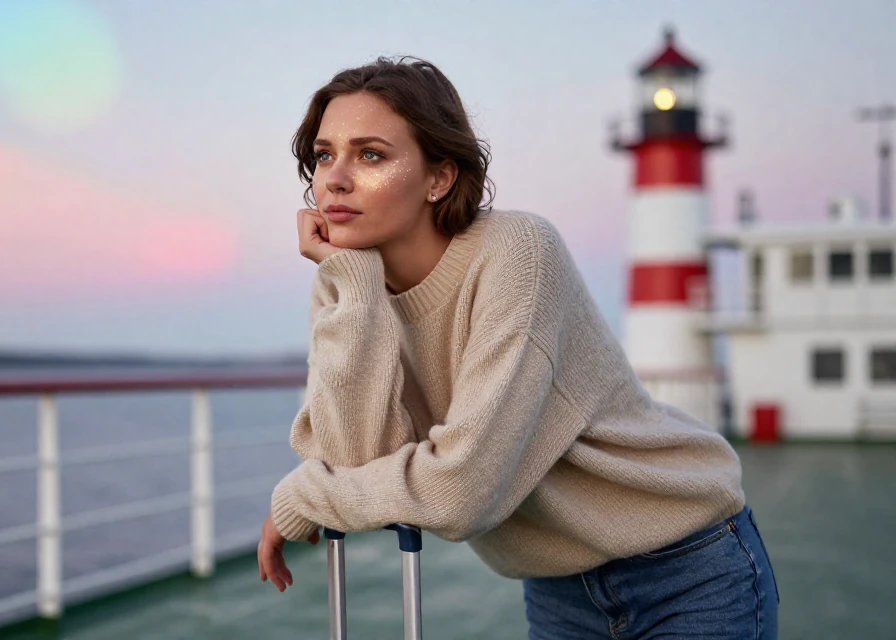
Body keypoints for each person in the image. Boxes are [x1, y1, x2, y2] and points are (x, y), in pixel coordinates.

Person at [255, 56, 780, 639]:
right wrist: (355, 287)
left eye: (371, 154)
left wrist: (306, 492)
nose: (334, 178)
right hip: (557, 588)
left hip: (686, 567)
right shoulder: (342, 284)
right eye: (325, 154)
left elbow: (458, 494)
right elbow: (353, 460)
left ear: (440, 178)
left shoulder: (518, 254)